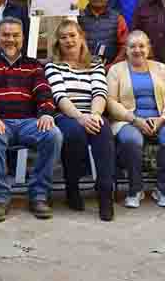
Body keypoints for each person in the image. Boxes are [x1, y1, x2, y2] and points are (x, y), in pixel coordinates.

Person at [0, 17, 62, 222]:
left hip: (28, 122)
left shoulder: (33, 66)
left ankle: (39, 195)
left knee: (53, 134)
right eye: (5, 35)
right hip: (0, 122)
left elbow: (44, 93)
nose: (10, 39)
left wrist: (45, 113)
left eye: (15, 35)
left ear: (22, 38)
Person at [44, 20, 115, 220]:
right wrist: (81, 118)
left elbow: (100, 92)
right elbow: (60, 97)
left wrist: (94, 116)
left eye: (72, 35)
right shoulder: (53, 65)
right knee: (74, 133)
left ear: (81, 37)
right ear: (58, 42)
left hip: (93, 112)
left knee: (103, 131)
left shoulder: (95, 64)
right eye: (63, 37)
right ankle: (72, 187)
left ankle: (105, 194)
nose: (68, 40)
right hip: (66, 114)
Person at [106, 30, 165, 209]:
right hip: (128, 120)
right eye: (132, 46)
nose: (137, 50)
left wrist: (163, 118)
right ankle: (135, 189)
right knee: (131, 140)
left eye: (142, 46)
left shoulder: (160, 68)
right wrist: (134, 119)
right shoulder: (116, 70)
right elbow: (110, 101)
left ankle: (163, 189)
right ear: (126, 49)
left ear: (148, 48)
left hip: (160, 119)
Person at [78, 0, 127, 66]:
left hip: (110, 69)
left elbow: (124, 46)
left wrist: (112, 66)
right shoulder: (78, 17)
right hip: (83, 68)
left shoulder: (118, 18)